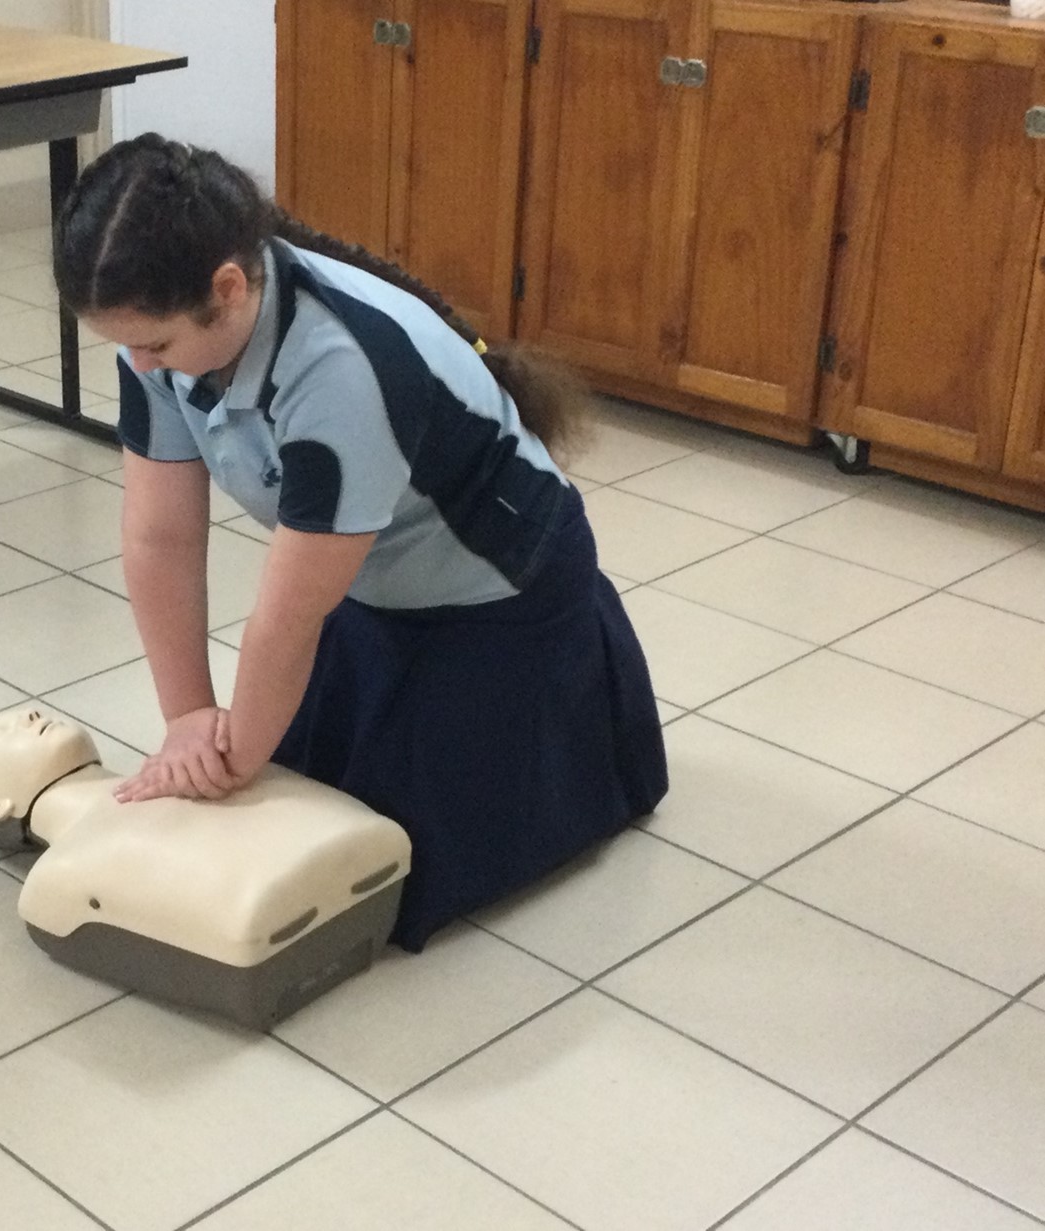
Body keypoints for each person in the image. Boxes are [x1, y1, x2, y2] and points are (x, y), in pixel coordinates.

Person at [52, 133, 668, 951]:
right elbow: (160, 536)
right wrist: (189, 717)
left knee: (394, 868)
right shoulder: (167, 341)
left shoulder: (340, 366)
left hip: (499, 598)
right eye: (122, 345)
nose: (138, 364)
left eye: (154, 344)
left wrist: (230, 758)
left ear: (227, 290)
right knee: (298, 799)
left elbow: (288, 618)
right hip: (373, 585)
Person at [0, 706, 412, 1030]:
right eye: (4, 733)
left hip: (335, 854)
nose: (30, 716)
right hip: (347, 857)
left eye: (22, 713)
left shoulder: (195, 761)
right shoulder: (57, 884)